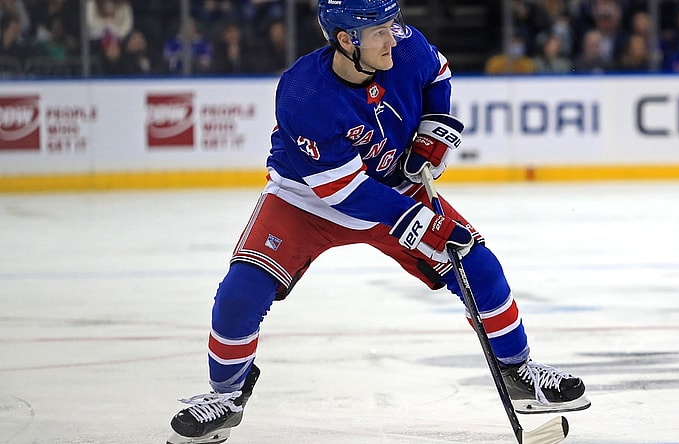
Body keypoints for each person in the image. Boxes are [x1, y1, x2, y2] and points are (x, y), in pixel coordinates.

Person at [166, 0, 589, 442]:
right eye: (379, 32)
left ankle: (517, 372)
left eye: (391, 25)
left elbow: (438, 73)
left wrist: (432, 131)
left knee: (478, 266)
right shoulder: (303, 93)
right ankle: (226, 396)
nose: (393, 38)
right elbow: (344, 192)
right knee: (240, 294)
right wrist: (421, 222)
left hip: (391, 185)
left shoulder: (406, 47)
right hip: (306, 198)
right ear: (346, 40)